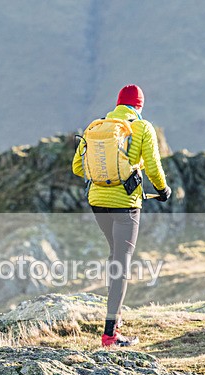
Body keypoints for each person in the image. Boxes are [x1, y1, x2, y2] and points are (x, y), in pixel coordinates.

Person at [71, 84, 171, 347]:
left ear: (117, 104)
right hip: (125, 204)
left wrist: (106, 176)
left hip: (97, 201)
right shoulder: (141, 127)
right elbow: (153, 165)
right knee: (121, 264)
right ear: (139, 106)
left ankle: (114, 316)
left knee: (115, 256)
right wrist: (162, 189)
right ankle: (110, 335)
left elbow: (77, 167)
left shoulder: (96, 127)